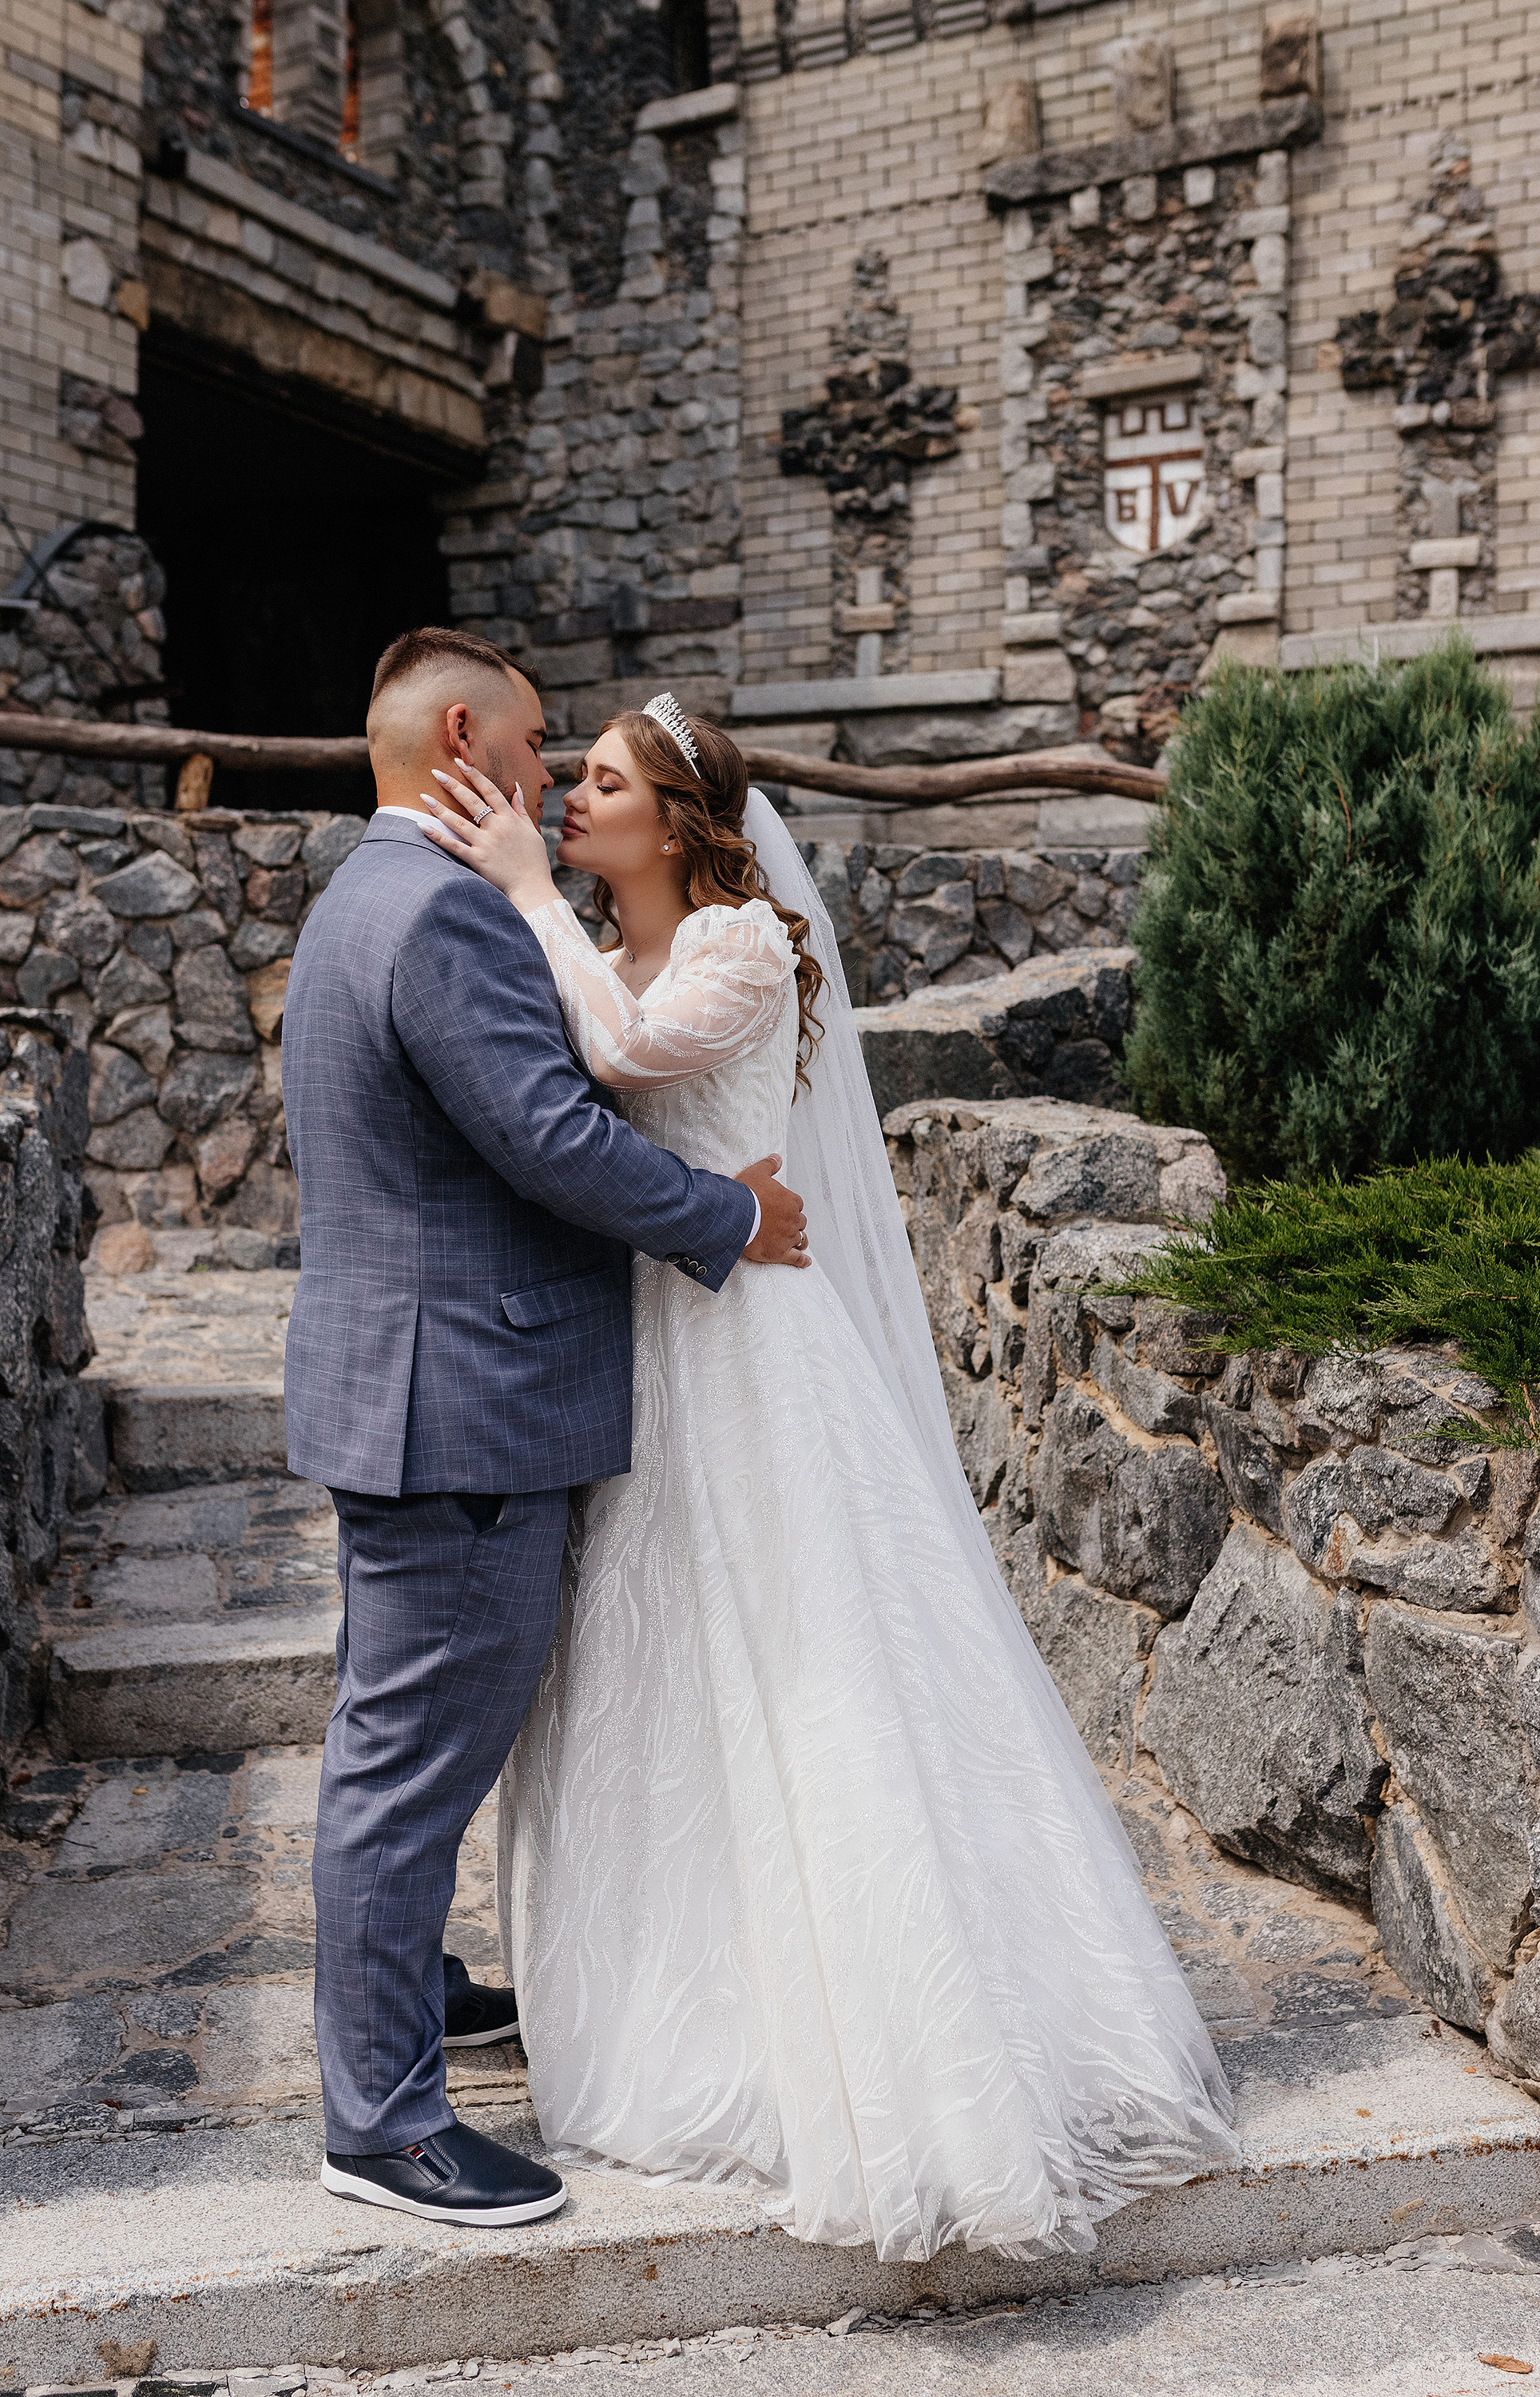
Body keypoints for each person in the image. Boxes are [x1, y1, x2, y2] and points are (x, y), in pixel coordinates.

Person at [417, 693, 1240, 2263]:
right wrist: (531, 907)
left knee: (809, 1669)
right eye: (573, 779)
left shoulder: (738, 945)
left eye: (604, 783)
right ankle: (676, 2001)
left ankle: (902, 2050)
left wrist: (523, 887)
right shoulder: (597, 942)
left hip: (751, 1347)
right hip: (643, 1343)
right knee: (662, 1675)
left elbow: (627, 1054)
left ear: (680, 823)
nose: (572, 799)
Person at [281, 630, 810, 2229]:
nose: (545, 775)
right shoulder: (447, 908)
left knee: (404, 1739)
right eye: (530, 745)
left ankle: (412, 1992)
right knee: (404, 1766)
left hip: (412, 1386)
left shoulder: (363, 889)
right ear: (463, 734)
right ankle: (383, 2127)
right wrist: (725, 1215)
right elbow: (553, 1139)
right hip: (463, 1403)